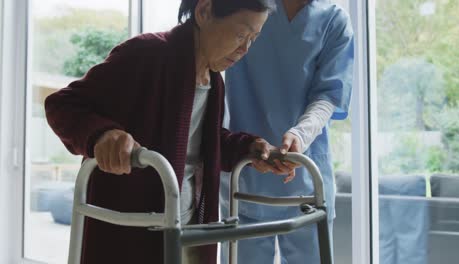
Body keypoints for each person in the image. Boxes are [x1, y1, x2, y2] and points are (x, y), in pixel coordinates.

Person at [44, 0, 285, 263]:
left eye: (254, 38)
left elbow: (200, 144)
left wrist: (249, 148)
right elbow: (62, 105)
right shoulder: (145, 54)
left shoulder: (213, 79)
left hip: (190, 229)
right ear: (204, 12)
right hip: (136, 233)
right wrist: (102, 135)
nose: (245, 49)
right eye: (241, 34)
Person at [220, 0, 354, 263]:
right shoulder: (247, 8)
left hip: (306, 177)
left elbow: (329, 95)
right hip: (246, 174)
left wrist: (301, 135)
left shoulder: (334, 21)